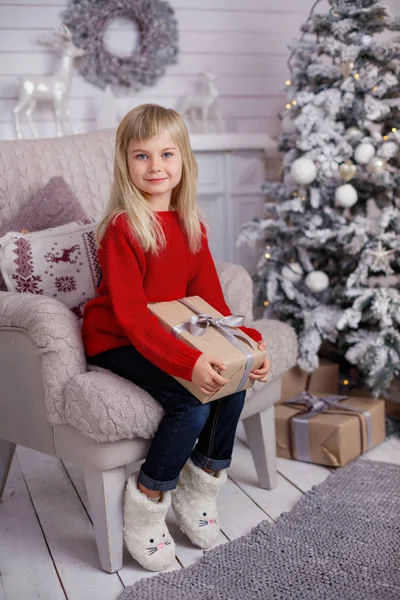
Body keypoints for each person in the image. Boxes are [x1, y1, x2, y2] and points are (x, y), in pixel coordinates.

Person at [81, 104, 271, 572]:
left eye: (166, 154)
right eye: (141, 156)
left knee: (232, 384)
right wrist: (187, 364)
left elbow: (210, 304)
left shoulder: (191, 226)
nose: (155, 166)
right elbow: (132, 318)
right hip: (117, 340)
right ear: (125, 163)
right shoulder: (122, 229)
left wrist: (247, 347)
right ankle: (148, 501)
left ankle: (200, 487)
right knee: (192, 405)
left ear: (184, 159)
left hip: (167, 332)